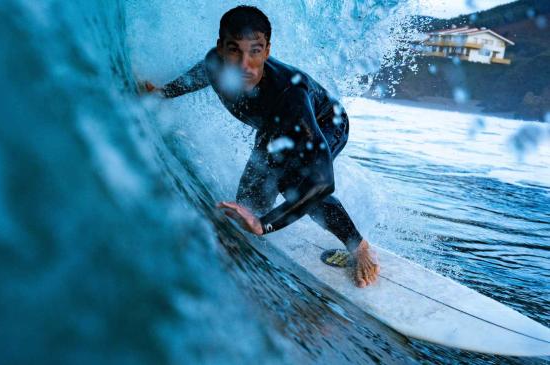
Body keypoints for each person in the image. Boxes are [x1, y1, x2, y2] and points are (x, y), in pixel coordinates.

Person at [141, 6, 379, 288]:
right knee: (249, 203)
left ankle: (359, 246)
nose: (244, 64)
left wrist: (265, 225)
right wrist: (162, 93)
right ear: (220, 49)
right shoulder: (213, 63)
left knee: (296, 180)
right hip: (275, 127)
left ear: (267, 51)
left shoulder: (290, 96)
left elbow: (322, 181)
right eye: (234, 51)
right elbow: (198, 76)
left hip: (326, 122)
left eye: (255, 51)